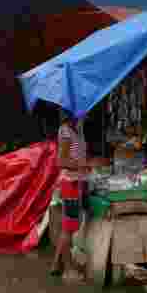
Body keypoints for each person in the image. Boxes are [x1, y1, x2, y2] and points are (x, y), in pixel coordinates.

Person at [50, 109, 93, 280]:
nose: (88, 111)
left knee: (71, 225)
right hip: (70, 183)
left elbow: (79, 154)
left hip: (78, 181)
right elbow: (60, 161)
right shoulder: (66, 130)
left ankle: (55, 264)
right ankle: (68, 270)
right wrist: (84, 164)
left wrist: (86, 164)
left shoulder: (79, 127)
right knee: (69, 227)